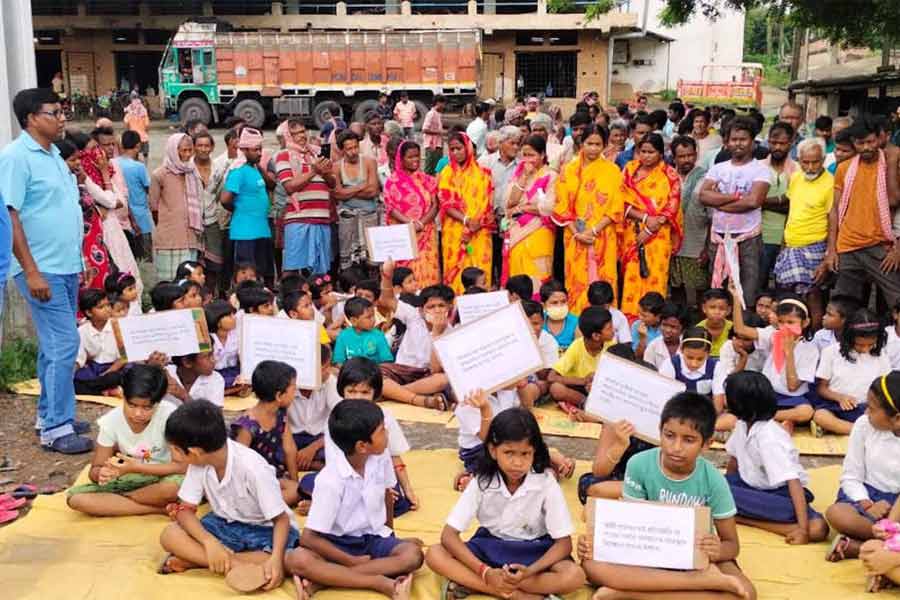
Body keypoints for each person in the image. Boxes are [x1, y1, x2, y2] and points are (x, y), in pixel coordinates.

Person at [578, 392, 756, 600]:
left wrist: (717, 550)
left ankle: (628, 592)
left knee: (747, 594)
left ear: (706, 444)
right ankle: (703, 584)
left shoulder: (714, 479)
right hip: (646, 554)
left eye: (688, 440)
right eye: (669, 435)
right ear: (660, 432)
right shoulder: (639, 464)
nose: (676, 447)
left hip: (695, 558)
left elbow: (731, 545)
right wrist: (597, 541)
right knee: (590, 565)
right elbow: (630, 527)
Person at [0, 88, 89, 453]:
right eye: (54, 112)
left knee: (54, 346)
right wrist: (30, 271)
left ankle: (49, 414)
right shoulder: (17, 157)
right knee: (66, 343)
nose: (62, 118)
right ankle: (56, 427)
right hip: (41, 268)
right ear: (31, 119)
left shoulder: (53, 154)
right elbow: (10, 215)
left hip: (66, 265)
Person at [426, 408, 585, 599]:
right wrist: (485, 571)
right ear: (493, 451)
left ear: (535, 452)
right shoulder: (481, 482)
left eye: (525, 454)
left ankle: (485, 584)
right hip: (490, 546)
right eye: (508, 452)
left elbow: (564, 544)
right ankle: (517, 595)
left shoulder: (545, 482)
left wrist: (531, 571)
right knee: (434, 554)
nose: (517, 462)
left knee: (574, 576)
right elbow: (449, 535)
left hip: (535, 550)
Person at [284, 399, 423, 600]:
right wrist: (350, 561)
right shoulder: (330, 480)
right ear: (362, 446)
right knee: (296, 559)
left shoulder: (380, 457)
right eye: (382, 431)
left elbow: (387, 497)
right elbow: (309, 538)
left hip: (370, 539)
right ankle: (377, 581)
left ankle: (325, 579)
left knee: (413, 555)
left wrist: (391, 537)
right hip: (334, 544)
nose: (388, 434)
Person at [159, 400, 299, 591]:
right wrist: (210, 543)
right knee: (170, 535)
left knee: (283, 557)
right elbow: (185, 510)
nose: (172, 454)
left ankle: (198, 561)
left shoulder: (253, 468)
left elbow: (281, 520)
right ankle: (235, 564)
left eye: (174, 449)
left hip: (264, 530)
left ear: (194, 452)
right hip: (224, 524)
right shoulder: (198, 464)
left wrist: (275, 560)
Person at [723, 371, 828, 544]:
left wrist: (802, 530)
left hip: (779, 496)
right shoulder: (742, 425)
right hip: (750, 487)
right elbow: (733, 461)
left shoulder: (769, 438)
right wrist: (725, 486)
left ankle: (741, 518)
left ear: (738, 404)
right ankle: (736, 511)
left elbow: (792, 481)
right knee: (711, 488)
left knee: (816, 529)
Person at [67, 364, 185, 517]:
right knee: (75, 499)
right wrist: (102, 473)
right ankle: (158, 509)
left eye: (147, 408)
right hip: (131, 479)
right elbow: (95, 469)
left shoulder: (169, 415)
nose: (137, 413)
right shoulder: (110, 422)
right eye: (132, 405)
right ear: (122, 395)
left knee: (172, 488)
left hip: (164, 477)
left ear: (158, 402)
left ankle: (124, 501)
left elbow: (182, 467)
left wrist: (137, 468)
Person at [822, 118, 900, 308]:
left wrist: (898, 249)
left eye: (870, 142)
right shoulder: (844, 168)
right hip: (848, 246)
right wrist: (831, 250)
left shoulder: (892, 163)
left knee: (896, 301)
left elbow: (895, 201)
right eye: (860, 143)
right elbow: (835, 210)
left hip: (881, 246)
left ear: (879, 139)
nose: (866, 147)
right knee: (843, 306)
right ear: (853, 143)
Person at [825, 373, 900, 563]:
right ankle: (888, 548)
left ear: (897, 418)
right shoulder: (863, 425)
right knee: (837, 513)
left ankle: (859, 548)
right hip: (867, 497)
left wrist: (891, 521)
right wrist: (867, 504)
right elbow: (851, 475)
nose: (866, 412)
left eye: (872, 409)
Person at [699, 116, 771, 309]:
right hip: (719, 237)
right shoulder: (718, 168)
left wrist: (719, 202)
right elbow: (704, 196)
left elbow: (754, 201)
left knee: (746, 291)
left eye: (743, 139)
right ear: (727, 142)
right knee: (719, 292)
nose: (738, 143)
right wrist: (736, 197)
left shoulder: (761, 170)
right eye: (734, 139)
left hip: (748, 238)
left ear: (752, 141)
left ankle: (742, 332)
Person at [552, 123, 623, 315]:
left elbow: (615, 208)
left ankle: (605, 323)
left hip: (602, 235)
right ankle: (577, 324)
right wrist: (578, 233)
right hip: (574, 235)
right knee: (576, 280)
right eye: (589, 143)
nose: (593, 148)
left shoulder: (612, 171)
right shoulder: (569, 169)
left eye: (598, 144)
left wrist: (592, 231)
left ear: (604, 145)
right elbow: (561, 206)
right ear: (581, 143)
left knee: (602, 279)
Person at [731, 288, 818, 432]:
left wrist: (789, 353)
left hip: (793, 399)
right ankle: (778, 421)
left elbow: (792, 386)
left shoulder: (810, 349)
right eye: (781, 322)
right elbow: (740, 330)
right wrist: (736, 298)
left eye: (791, 322)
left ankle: (763, 417)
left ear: (805, 322)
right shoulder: (773, 336)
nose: (785, 327)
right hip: (768, 394)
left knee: (806, 412)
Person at [772, 138, 833, 329]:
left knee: (812, 295)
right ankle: (793, 336)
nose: (810, 167)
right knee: (789, 297)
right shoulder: (797, 177)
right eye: (805, 162)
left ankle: (814, 340)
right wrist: (784, 243)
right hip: (791, 245)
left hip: (814, 246)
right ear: (799, 160)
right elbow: (792, 210)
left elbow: (834, 220)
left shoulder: (830, 183)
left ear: (823, 160)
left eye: (815, 161)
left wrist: (828, 256)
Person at [620, 133, 682, 318]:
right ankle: (631, 320)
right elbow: (619, 200)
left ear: (661, 154)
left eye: (651, 152)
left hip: (658, 235)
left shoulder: (669, 175)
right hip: (633, 232)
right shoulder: (629, 170)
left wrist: (651, 227)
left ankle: (654, 320)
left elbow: (672, 206)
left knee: (655, 276)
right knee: (632, 276)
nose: (646, 156)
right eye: (642, 151)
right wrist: (645, 219)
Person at [376, 259, 451, 410]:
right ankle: (416, 398)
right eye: (431, 306)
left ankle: (394, 394)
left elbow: (435, 370)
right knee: (375, 374)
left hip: (425, 376)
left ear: (449, 307)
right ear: (422, 309)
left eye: (441, 306)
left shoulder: (451, 330)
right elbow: (386, 300)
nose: (437, 310)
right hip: (402, 369)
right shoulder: (413, 316)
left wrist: (437, 332)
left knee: (443, 379)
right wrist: (387, 275)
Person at [82, 129, 144, 299]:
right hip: (100, 233)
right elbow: (111, 201)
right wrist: (104, 176)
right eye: (103, 146)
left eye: (112, 144)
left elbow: (120, 201)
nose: (108, 149)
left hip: (116, 226)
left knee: (126, 268)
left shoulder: (111, 166)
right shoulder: (86, 173)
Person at [231, 360, 301, 507]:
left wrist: (295, 481)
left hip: (274, 476)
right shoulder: (247, 425)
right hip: (252, 482)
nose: (295, 393)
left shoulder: (281, 414)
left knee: (298, 489)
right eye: (293, 388)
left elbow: (290, 448)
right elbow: (238, 465)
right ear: (279, 396)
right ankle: (258, 508)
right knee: (293, 493)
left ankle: (266, 506)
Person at [814, 309, 891, 436]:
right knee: (820, 415)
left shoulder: (881, 355)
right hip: (836, 406)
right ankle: (863, 432)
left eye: (870, 345)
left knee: (887, 415)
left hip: (868, 408)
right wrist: (840, 397)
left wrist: (872, 406)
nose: (865, 349)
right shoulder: (831, 352)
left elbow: (884, 388)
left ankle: (850, 430)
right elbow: (822, 389)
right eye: (859, 345)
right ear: (848, 338)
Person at [275, 119, 336, 277]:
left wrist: (325, 172)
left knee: (321, 271)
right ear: (288, 136)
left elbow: (333, 183)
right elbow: (289, 186)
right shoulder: (283, 156)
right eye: (296, 133)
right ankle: (290, 299)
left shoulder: (317, 153)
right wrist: (314, 171)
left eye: (303, 131)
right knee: (292, 269)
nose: (302, 135)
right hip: (298, 218)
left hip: (322, 218)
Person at [438, 132, 495, 294]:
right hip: (455, 231)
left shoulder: (484, 173)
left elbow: (489, 204)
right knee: (455, 270)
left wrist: (475, 224)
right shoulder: (446, 173)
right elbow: (446, 203)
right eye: (452, 149)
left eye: (459, 148)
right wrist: (466, 220)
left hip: (480, 231)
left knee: (480, 269)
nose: (456, 153)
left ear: (468, 147)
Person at [221, 127, 276, 285]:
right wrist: (240, 210)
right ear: (243, 150)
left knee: (262, 274)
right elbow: (225, 199)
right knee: (246, 277)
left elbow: (272, 185)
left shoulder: (255, 168)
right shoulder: (238, 171)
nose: (260, 153)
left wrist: (259, 167)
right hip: (245, 233)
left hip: (261, 231)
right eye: (255, 150)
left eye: (260, 149)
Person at [383, 140, 441, 287]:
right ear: (401, 159)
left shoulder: (428, 180)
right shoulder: (393, 181)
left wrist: (421, 223)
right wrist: (410, 223)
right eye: (410, 157)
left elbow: (435, 205)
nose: (415, 160)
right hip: (404, 232)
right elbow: (391, 207)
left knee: (428, 269)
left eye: (417, 156)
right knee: (407, 272)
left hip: (426, 232)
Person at [502, 135, 556, 288]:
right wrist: (524, 177)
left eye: (531, 155)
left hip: (539, 232)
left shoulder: (551, 176)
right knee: (518, 278)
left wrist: (520, 208)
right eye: (524, 155)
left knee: (537, 277)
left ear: (542, 155)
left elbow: (549, 208)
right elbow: (508, 202)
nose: (527, 159)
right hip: (516, 231)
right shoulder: (519, 175)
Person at [150, 133, 203, 282]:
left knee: (189, 282)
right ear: (173, 150)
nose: (187, 154)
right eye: (183, 150)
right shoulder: (160, 174)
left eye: (189, 150)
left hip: (190, 236)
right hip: (169, 237)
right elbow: (153, 207)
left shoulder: (193, 171)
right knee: (170, 283)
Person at [668, 136, 710, 308]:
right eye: (682, 156)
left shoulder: (706, 178)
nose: (686, 160)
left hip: (697, 244)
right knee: (675, 289)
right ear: (674, 157)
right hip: (671, 243)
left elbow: (712, 216)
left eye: (690, 155)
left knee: (700, 291)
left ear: (696, 154)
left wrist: (707, 247)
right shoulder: (667, 177)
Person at [548, 307, 614, 413]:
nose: (613, 330)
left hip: (601, 388)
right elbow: (551, 377)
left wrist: (597, 382)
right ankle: (585, 403)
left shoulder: (612, 345)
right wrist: (583, 381)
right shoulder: (577, 346)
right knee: (556, 388)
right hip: (579, 388)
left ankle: (584, 405)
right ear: (596, 336)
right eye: (609, 328)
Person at [332, 131, 379, 272]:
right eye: (349, 149)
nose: (353, 152)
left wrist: (348, 191)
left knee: (371, 257)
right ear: (342, 150)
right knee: (348, 256)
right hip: (347, 218)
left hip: (369, 215)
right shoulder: (336, 166)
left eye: (355, 147)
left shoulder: (369, 162)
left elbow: (373, 191)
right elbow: (337, 194)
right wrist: (361, 187)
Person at [479, 126, 520, 281]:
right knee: (489, 256)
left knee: (506, 257)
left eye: (518, 144)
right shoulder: (485, 162)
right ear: (501, 143)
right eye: (512, 143)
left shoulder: (521, 166)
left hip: (510, 220)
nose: (516, 147)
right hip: (487, 219)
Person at [759, 122, 798, 286]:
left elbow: (795, 205)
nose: (777, 147)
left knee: (783, 285)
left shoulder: (798, 170)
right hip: (760, 235)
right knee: (758, 284)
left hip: (787, 238)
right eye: (774, 143)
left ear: (791, 143)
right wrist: (783, 201)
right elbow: (751, 202)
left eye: (782, 143)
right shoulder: (758, 168)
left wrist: (761, 202)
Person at [73, 289, 126, 395]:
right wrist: (70, 373)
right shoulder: (82, 331)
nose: (107, 309)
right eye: (101, 307)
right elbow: (80, 358)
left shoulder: (117, 326)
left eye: (108, 305)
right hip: (94, 369)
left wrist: (109, 371)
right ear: (89, 312)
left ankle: (95, 389)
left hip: (115, 367)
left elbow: (124, 357)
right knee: (74, 380)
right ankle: (104, 391)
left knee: (117, 377)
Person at [116, 131, 153, 263]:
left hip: (120, 215)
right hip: (140, 215)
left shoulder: (113, 163)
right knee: (145, 256)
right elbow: (149, 188)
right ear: (138, 146)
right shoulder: (138, 167)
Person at [333, 297, 393, 365]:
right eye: (368, 317)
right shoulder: (343, 336)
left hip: (374, 373)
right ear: (354, 321)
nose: (373, 320)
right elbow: (338, 361)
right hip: (350, 373)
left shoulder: (378, 335)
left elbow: (387, 361)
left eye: (373, 315)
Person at [204, 300, 240, 390]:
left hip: (234, 372)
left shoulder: (237, 335)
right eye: (229, 315)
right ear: (217, 321)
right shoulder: (207, 339)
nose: (234, 318)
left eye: (233, 314)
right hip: (213, 374)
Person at [540, 279, 579, 351]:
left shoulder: (576, 323)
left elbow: (578, 353)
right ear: (543, 306)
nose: (559, 306)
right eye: (554, 302)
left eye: (563, 301)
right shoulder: (538, 322)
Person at [697, 288, 733, 358]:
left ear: (728, 310)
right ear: (704, 308)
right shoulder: (698, 329)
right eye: (712, 307)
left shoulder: (733, 329)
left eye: (722, 308)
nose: (717, 312)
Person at [630, 291, 665, 359]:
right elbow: (636, 357)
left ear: (658, 317)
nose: (640, 317)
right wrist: (642, 338)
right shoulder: (636, 325)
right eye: (639, 313)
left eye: (644, 316)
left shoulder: (666, 330)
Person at [422, 95, 447, 174]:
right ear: (438, 103)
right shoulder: (431, 114)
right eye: (443, 104)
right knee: (429, 169)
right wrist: (439, 132)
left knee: (437, 169)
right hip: (431, 145)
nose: (444, 106)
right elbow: (424, 129)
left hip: (438, 145)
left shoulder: (438, 114)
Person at [123, 94, 150, 159]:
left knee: (135, 153)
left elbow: (126, 125)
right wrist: (145, 132)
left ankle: (136, 163)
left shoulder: (129, 114)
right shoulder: (144, 114)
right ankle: (145, 166)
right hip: (144, 138)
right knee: (145, 153)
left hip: (133, 138)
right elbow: (147, 126)